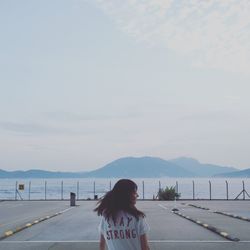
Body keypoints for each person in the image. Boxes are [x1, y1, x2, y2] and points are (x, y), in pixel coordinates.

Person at [94, 179, 150, 250]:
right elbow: (145, 247)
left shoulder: (106, 216)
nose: (137, 195)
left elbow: (102, 245)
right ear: (127, 195)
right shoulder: (138, 217)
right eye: (135, 193)